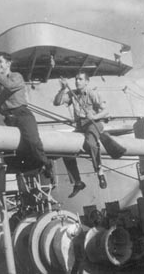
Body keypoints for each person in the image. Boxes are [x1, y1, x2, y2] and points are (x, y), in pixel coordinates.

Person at [0, 51, 54, 183]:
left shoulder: (16, 77)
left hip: (23, 115)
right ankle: (28, 170)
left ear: (8, 63)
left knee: (33, 141)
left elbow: (9, 86)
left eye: (0, 61)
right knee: (11, 151)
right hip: (9, 119)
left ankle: (46, 164)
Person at [53, 69, 109, 198]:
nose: (77, 81)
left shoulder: (92, 93)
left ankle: (99, 171)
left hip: (94, 124)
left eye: (80, 79)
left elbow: (106, 111)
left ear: (87, 81)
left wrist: (94, 117)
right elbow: (57, 103)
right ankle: (77, 182)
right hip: (80, 126)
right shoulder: (72, 94)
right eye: (76, 79)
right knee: (65, 150)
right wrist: (62, 89)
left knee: (91, 142)